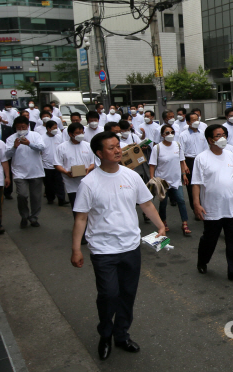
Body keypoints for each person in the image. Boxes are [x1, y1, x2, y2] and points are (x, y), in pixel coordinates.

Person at [70, 131, 166, 361]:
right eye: (111, 148)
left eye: (118, 146)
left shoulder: (130, 176)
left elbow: (146, 204)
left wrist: (161, 226)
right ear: (99, 153)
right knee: (108, 294)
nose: (117, 150)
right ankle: (105, 333)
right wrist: (75, 248)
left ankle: (121, 335)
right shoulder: (89, 183)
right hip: (103, 250)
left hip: (131, 247)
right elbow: (81, 218)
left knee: (127, 295)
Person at [192, 124, 233, 283]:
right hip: (212, 208)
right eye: (218, 135)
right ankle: (202, 261)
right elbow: (196, 183)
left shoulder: (231, 154)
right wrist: (197, 204)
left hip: (232, 208)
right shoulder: (201, 158)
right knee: (209, 240)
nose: (222, 138)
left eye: (224, 134)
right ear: (210, 140)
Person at [149, 124, 191, 236]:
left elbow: (182, 161)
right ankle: (163, 222)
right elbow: (152, 165)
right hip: (162, 182)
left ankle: (184, 223)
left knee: (181, 200)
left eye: (172, 132)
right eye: (167, 133)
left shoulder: (177, 145)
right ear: (162, 135)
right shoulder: (157, 148)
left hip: (176, 180)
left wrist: (184, 174)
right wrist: (152, 178)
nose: (170, 134)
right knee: (163, 203)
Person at [6, 116, 46, 228]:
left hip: (35, 171)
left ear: (28, 126)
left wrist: (29, 144)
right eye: (18, 127)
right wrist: (14, 147)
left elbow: (42, 148)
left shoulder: (36, 135)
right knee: (22, 195)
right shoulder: (11, 138)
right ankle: (24, 216)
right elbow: (7, 155)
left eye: (23, 127)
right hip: (19, 172)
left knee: (36, 197)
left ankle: (33, 217)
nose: (21, 129)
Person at [54, 122, 95, 215]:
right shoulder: (61, 147)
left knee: (91, 209)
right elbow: (57, 164)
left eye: (82, 132)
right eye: (78, 133)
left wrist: (88, 169)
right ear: (70, 134)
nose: (81, 135)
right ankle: (80, 228)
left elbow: (93, 162)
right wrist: (66, 172)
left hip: (87, 182)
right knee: (77, 209)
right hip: (71, 184)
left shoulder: (88, 146)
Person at [179, 113, 209, 218]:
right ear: (187, 122)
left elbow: (206, 148)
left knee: (204, 184)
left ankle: (205, 206)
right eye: (193, 120)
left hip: (202, 161)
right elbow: (181, 151)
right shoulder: (183, 135)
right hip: (189, 161)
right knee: (192, 186)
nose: (196, 122)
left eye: (197, 119)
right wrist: (184, 165)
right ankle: (195, 209)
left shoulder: (203, 133)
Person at [41, 120, 68, 206]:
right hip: (47, 165)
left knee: (59, 182)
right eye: (54, 128)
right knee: (49, 184)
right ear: (48, 129)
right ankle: (50, 198)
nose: (56, 130)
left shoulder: (59, 137)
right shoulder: (42, 138)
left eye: (56, 128)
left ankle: (61, 199)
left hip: (58, 164)